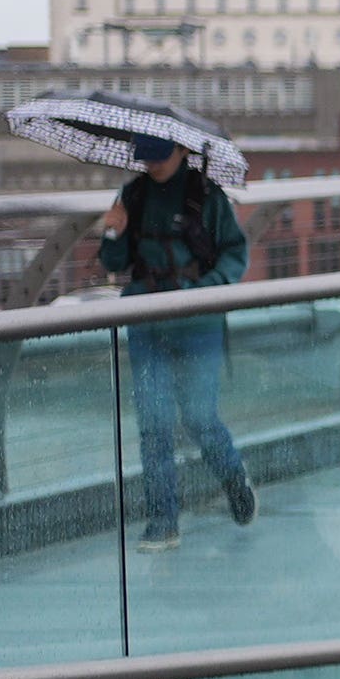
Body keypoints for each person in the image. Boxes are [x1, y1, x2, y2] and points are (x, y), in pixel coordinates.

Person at [99, 134, 256, 551]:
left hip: (197, 318)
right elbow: (115, 264)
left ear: (184, 150)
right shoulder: (132, 195)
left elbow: (235, 254)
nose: (151, 164)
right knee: (153, 423)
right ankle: (162, 520)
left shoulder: (206, 196)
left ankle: (234, 478)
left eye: (160, 156)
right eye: (145, 157)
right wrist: (112, 233)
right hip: (146, 318)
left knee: (200, 415)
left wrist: (205, 291)